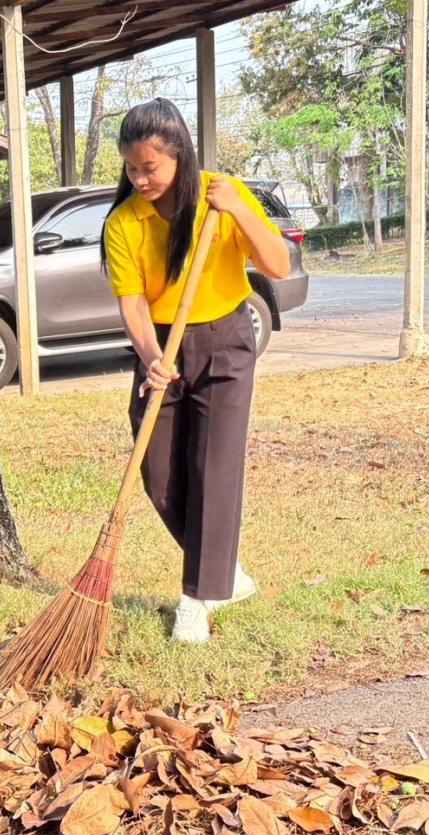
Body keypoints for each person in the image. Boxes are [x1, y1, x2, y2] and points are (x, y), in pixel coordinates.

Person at [101, 99, 290, 644]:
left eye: (150, 167)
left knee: (215, 469)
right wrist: (150, 356)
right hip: (164, 347)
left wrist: (240, 209)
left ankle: (197, 598)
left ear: (179, 156)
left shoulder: (218, 197)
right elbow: (132, 302)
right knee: (158, 473)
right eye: (131, 168)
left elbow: (276, 264)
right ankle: (223, 571)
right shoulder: (123, 223)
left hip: (227, 340)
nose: (140, 178)